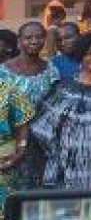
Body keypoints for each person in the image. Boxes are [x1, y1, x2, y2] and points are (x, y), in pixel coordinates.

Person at [31, 33, 91, 189]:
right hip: (71, 167)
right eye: (89, 53)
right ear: (80, 56)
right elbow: (42, 127)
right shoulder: (64, 88)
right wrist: (57, 153)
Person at [0, 21, 59, 187]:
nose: (34, 41)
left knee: (37, 190)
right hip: (10, 142)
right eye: (28, 37)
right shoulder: (3, 72)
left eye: (39, 37)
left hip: (43, 143)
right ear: (19, 41)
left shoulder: (51, 70)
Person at [0, 78, 34, 212]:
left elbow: (22, 122)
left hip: (3, 161)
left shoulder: (8, 88)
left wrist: (20, 150)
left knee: (6, 209)